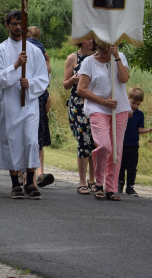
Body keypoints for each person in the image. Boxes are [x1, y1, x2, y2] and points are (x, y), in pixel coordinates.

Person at [0, 10, 50, 200]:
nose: (18, 27)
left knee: (30, 141)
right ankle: (14, 184)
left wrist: (31, 83)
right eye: (14, 24)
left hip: (28, 103)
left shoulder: (34, 51)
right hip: (9, 103)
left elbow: (43, 78)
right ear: (7, 25)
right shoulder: (0, 50)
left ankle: (29, 181)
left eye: (21, 24)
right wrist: (16, 65)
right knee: (12, 140)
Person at [76, 42, 131, 201]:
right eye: (99, 43)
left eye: (106, 44)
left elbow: (124, 78)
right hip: (97, 109)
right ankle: (98, 183)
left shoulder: (120, 57)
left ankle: (110, 188)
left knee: (116, 150)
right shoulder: (89, 62)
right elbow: (81, 89)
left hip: (119, 108)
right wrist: (102, 101)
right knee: (105, 145)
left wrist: (117, 57)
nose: (103, 46)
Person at [63, 35, 97, 194]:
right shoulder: (73, 57)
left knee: (96, 142)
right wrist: (73, 80)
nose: (91, 41)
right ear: (80, 39)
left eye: (93, 39)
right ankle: (82, 182)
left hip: (96, 102)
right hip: (78, 104)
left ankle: (93, 180)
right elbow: (65, 84)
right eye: (87, 38)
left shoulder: (99, 57)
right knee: (84, 141)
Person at [26, 26, 54, 188]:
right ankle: (33, 173)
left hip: (39, 94)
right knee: (33, 139)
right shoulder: (39, 49)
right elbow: (47, 65)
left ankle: (38, 173)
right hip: (32, 94)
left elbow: (47, 68)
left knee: (37, 139)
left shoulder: (37, 51)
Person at [118, 87, 152, 196]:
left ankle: (130, 187)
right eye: (133, 103)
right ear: (128, 98)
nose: (135, 106)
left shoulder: (139, 114)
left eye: (138, 104)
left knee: (132, 167)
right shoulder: (121, 110)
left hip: (133, 145)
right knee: (120, 165)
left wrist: (150, 129)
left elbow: (139, 129)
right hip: (121, 143)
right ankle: (119, 183)